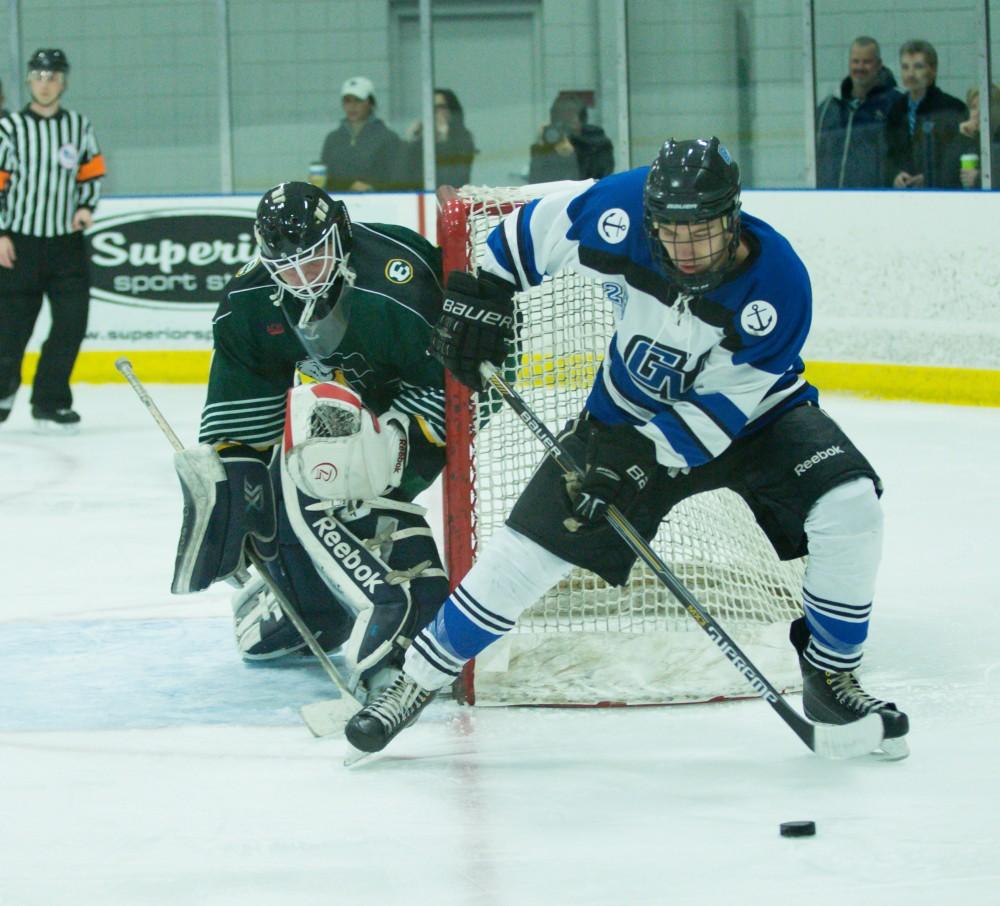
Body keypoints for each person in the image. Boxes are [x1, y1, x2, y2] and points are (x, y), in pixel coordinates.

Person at [346, 137, 911, 757]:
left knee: (850, 505)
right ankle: (415, 682)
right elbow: (517, 241)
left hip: (760, 417)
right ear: (649, 220)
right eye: (672, 232)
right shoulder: (616, 209)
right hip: (621, 416)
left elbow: (714, 416)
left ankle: (831, 675)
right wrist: (484, 299)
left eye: (705, 231)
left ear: (734, 216)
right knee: (524, 556)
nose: (688, 250)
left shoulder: (778, 283)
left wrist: (629, 473)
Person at [171, 181, 450, 696]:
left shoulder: (397, 283)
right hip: (341, 403)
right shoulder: (249, 301)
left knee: (339, 470)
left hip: (423, 401)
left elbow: (464, 378)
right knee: (285, 487)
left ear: (339, 236)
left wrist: (396, 446)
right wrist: (234, 494)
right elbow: (242, 423)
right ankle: (310, 606)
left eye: (312, 260)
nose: (301, 279)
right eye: (286, 267)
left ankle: (410, 608)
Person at [0, 49, 104, 430]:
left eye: (54, 76)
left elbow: (92, 170)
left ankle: (50, 401)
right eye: (40, 76)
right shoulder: (9, 128)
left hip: (66, 245)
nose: (46, 83)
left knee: (71, 324)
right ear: (30, 80)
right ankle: (3, 387)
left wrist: (86, 206)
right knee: (10, 331)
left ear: (64, 81)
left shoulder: (77, 125)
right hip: (19, 245)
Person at [815, 36, 901, 188]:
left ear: (879, 65)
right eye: (855, 61)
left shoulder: (895, 105)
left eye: (866, 62)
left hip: (875, 200)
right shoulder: (830, 106)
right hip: (831, 200)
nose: (860, 67)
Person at [886, 40, 967, 190]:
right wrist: (895, 175)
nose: (910, 74)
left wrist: (931, 178)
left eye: (918, 67)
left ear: (933, 70)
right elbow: (888, 155)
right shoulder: (896, 110)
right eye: (905, 67)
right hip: (902, 198)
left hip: (943, 196)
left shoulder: (952, 109)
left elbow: (958, 158)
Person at [319, 76, 405, 193]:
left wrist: (373, 188)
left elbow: (398, 178)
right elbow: (325, 179)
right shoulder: (332, 139)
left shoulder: (388, 138)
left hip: (378, 204)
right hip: (339, 204)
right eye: (347, 100)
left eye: (358, 100)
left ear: (370, 103)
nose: (352, 106)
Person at [528, 93, 614, 184]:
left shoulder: (597, 141)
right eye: (563, 118)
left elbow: (599, 179)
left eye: (571, 115)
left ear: (581, 119)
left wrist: (574, 154)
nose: (572, 122)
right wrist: (544, 149)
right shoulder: (549, 144)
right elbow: (537, 181)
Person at [402, 88, 477, 189]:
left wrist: (443, 138)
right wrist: (409, 141)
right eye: (432, 108)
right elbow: (404, 175)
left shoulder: (464, 139)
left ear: (451, 110)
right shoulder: (423, 141)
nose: (436, 112)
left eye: (441, 107)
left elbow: (457, 179)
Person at [957, 84, 1000, 189]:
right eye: (973, 107)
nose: (978, 112)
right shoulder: (971, 139)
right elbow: (947, 176)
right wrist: (961, 138)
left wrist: (978, 178)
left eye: (985, 106)